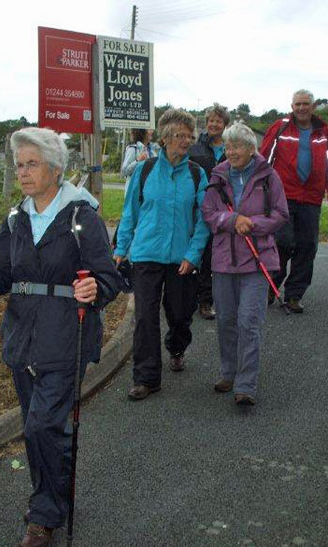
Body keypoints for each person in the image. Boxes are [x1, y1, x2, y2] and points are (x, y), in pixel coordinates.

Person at [0, 127, 120, 547]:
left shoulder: (82, 218)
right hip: (22, 339)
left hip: (66, 336)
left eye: (32, 164)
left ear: (56, 169)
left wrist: (93, 288)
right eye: (19, 164)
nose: (23, 172)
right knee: (36, 428)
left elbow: (110, 278)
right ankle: (52, 497)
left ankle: (44, 514)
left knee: (43, 424)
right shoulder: (16, 220)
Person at [114, 109, 209, 401]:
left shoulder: (196, 174)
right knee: (145, 317)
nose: (187, 140)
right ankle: (146, 377)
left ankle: (177, 347)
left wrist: (193, 254)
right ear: (166, 138)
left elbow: (204, 220)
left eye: (190, 135)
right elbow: (130, 213)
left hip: (182, 258)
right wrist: (121, 249)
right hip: (145, 255)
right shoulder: (145, 170)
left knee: (180, 315)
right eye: (180, 135)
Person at [202, 122, 289, 406]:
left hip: (257, 261)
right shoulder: (217, 176)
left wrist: (252, 225)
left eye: (237, 146)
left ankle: (245, 384)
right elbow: (209, 213)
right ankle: (228, 372)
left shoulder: (269, 177)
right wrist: (231, 220)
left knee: (249, 322)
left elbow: (280, 214)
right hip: (224, 263)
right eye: (228, 147)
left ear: (251, 149)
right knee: (226, 322)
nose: (231, 152)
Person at [260, 89, 328, 313]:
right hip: (282, 197)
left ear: (313, 106)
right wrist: (258, 191)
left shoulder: (325, 133)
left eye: (306, 104)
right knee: (282, 242)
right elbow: (264, 159)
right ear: (292, 106)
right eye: (298, 104)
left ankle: (294, 295)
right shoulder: (280, 127)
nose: (302, 108)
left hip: (311, 200)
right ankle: (271, 286)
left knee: (307, 247)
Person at [189, 103, 231, 320]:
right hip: (195, 209)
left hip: (220, 211)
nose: (214, 124)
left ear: (225, 125)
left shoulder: (231, 149)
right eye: (211, 121)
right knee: (191, 252)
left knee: (210, 256)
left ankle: (206, 301)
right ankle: (185, 296)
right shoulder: (194, 148)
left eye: (218, 121)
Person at [121, 128, 156, 195]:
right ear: (142, 132)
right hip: (133, 194)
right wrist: (138, 161)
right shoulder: (133, 149)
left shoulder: (152, 151)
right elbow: (124, 171)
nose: (152, 131)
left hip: (148, 192)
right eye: (149, 129)